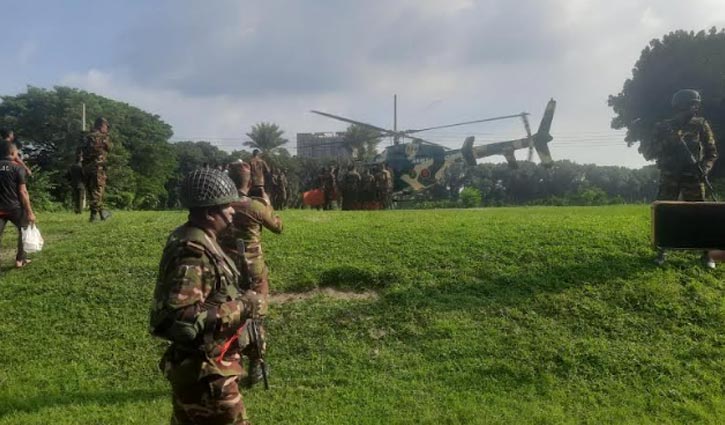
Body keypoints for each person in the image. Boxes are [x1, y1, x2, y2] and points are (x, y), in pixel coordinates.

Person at [149, 168, 265, 425]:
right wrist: (244, 306)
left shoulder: (197, 238)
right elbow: (182, 319)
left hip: (206, 368)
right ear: (210, 213)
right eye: (227, 206)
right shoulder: (193, 254)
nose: (233, 211)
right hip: (207, 374)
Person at [219, 161, 283, 385]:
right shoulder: (254, 206)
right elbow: (278, 226)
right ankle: (256, 364)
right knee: (255, 316)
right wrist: (265, 198)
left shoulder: (220, 205)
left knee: (229, 315)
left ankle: (231, 362)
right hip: (253, 270)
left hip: (226, 270)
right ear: (249, 181)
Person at [652, 89, 718, 268]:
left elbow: (711, 152)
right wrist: (671, 141)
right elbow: (652, 151)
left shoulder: (701, 125)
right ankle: (662, 249)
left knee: (700, 214)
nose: (693, 108)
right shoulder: (664, 126)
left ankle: (706, 254)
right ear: (679, 106)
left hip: (693, 177)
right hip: (670, 176)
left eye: (695, 104)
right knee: (665, 213)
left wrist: (704, 168)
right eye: (690, 104)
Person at [0, 140, 36, 270]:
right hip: (14, 208)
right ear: (13, 152)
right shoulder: (17, 167)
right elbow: (23, 191)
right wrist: (30, 212)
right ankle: (20, 260)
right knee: (24, 229)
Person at [80, 117, 112, 222]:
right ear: (101, 126)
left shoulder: (86, 136)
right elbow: (109, 148)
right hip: (98, 167)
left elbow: (79, 151)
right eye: (106, 127)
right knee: (98, 191)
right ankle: (93, 216)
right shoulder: (103, 137)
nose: (107, 129)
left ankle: (102, 213)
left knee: (91, 191)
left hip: (86, 167)